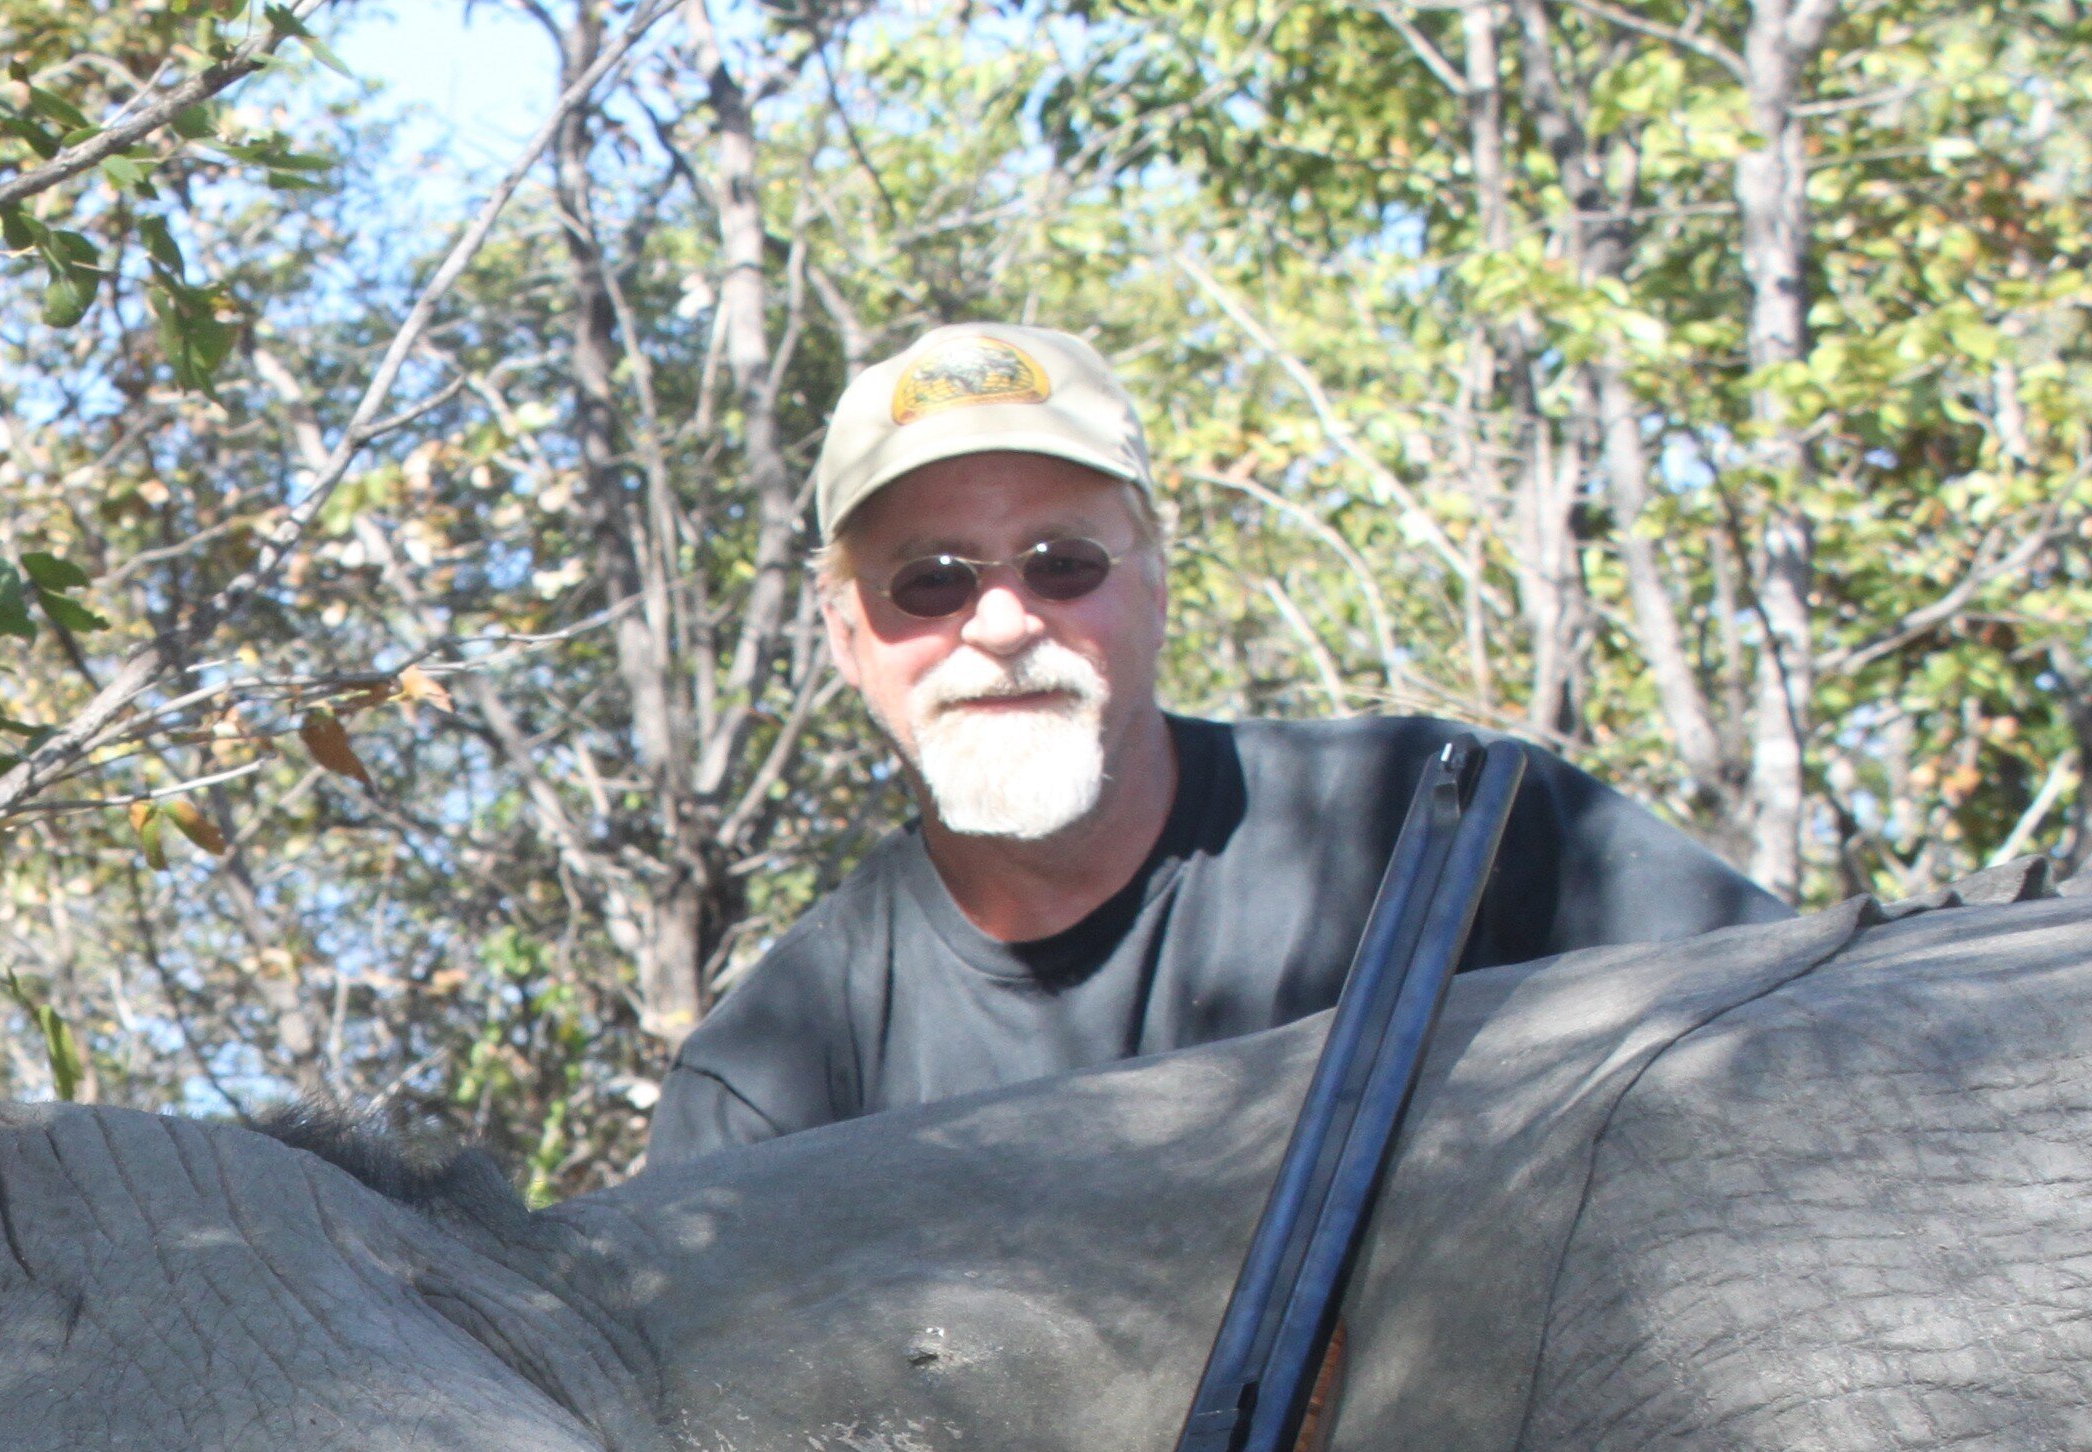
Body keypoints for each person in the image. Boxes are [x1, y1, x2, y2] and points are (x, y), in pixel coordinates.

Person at [644, 323, 1785, 1165]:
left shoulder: (1445, 826)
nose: (999, 625)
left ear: (1154, 589)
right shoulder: (768, 1091)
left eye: (1064, 564)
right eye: (928, 582)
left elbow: (1794, 1050)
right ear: (850, 639)